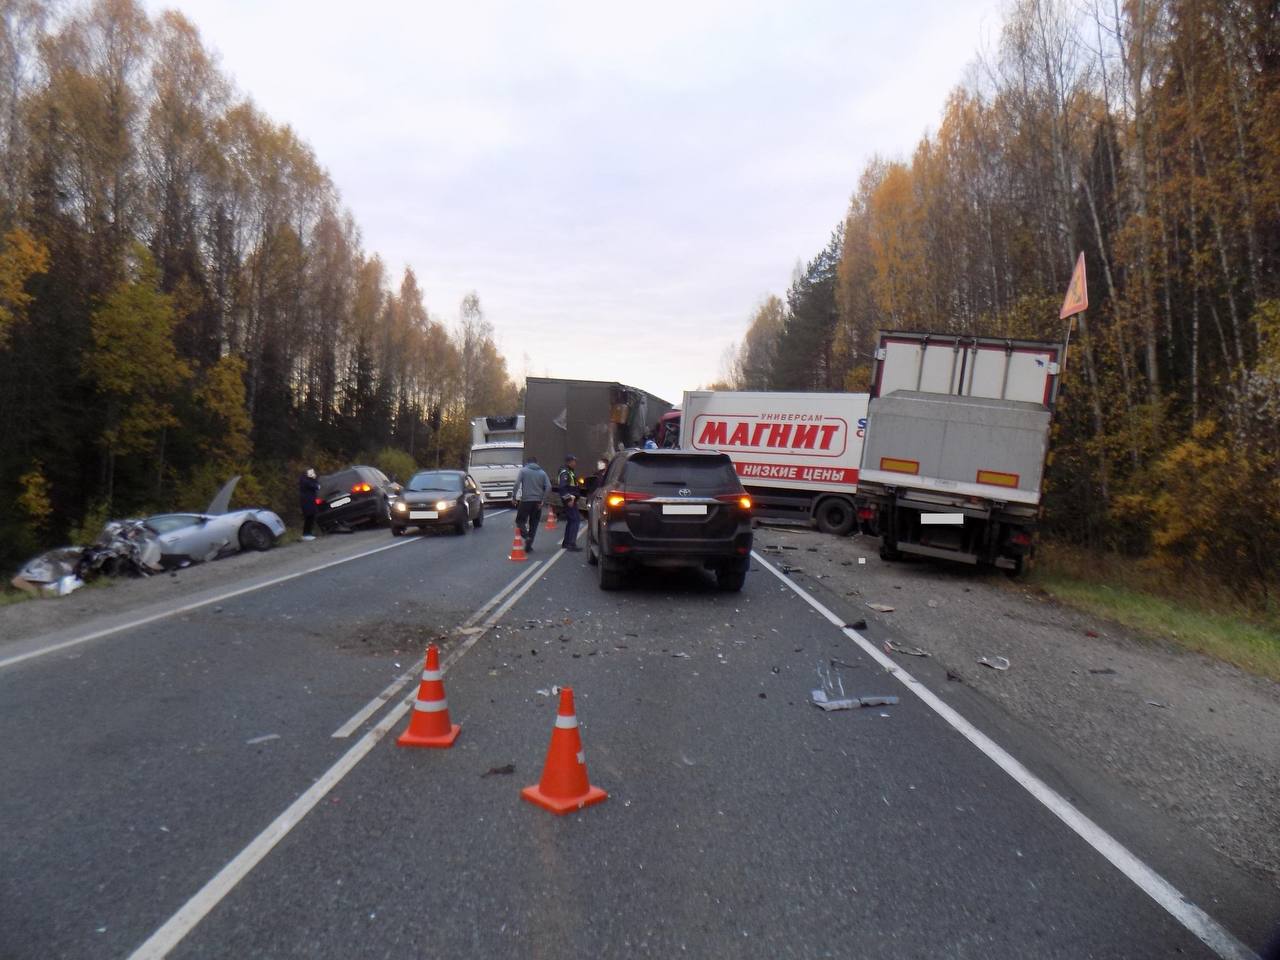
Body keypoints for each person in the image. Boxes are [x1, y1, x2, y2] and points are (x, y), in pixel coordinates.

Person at [510, 456, 550, 551]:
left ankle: (526, 536)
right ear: (537, 462)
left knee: (520, 521)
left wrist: (514, 496)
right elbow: (548, 487)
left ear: (527, 462)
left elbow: (516, 484)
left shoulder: (523, 471)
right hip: (537, 502)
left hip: (526, 501)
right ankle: (529, 545)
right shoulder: (542, 473)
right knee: (534, 523)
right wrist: (543, 500)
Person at [556, 454, 582, 551]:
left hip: (571, 499)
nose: (575, 463)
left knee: (572, 520)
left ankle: (566, 543)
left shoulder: (569, 472)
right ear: (569, 462)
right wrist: (568, 500)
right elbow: (562, 488)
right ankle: (571, 544)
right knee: (575, 520)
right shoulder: (565, 473)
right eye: (574, 461)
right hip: (570, 500)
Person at [299, 467, 320, 541]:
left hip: (309, 501)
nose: (313, 474)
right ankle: (306, 534)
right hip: (307, 502)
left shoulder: (306, 480)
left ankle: (308, 533)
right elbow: (316, 486)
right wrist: (314, 479)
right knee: (309, 517)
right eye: (311, 472)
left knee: (311, 517)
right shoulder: (305, 481)